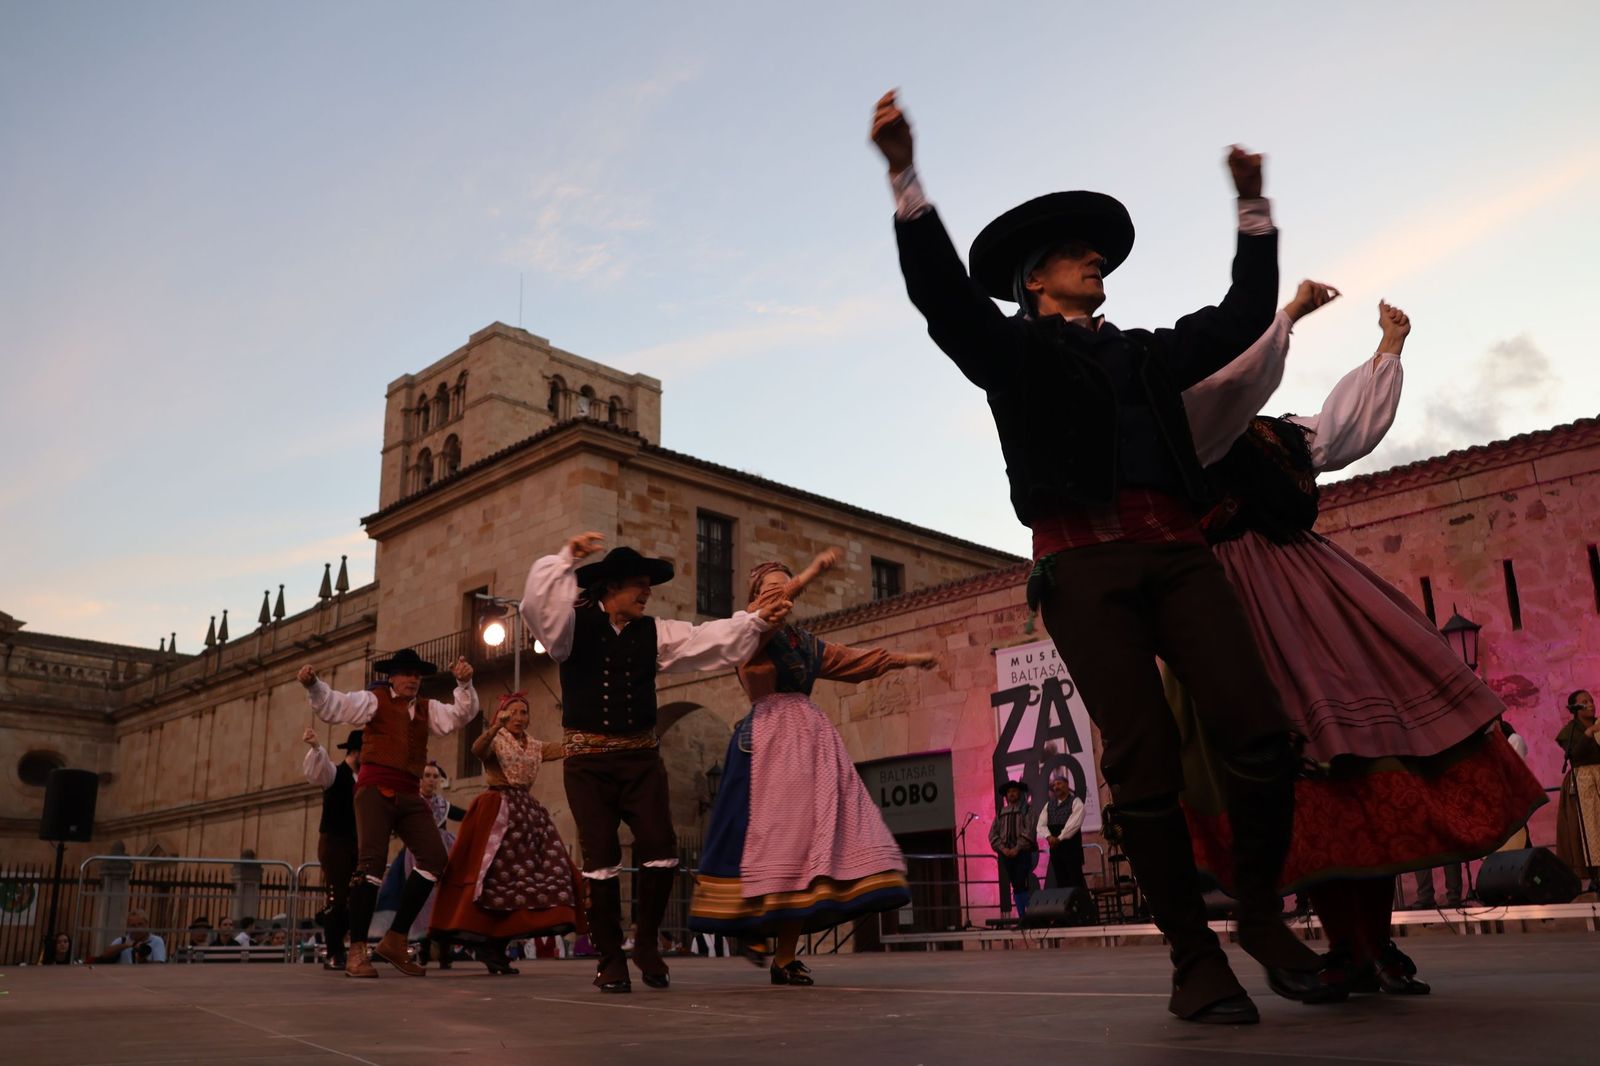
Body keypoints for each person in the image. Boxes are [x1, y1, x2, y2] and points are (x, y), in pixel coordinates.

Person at [871, 90, 1322, 1024]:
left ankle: (1264, 914)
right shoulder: (1014, 355)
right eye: (1078, 254)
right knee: (1143, 757)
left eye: (1098, 251)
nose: (1095, 259)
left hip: (1179, 553)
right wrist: (906, 177)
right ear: (1037, 280)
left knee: (1260, 732)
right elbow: (943, 299)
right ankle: (1194, 961)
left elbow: (1244, 310)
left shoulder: (1150, 356)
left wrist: (1253, 205)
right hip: (1082, 570)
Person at [1176, 293, 1546, 995]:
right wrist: (1283, 313)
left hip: (1313, 589)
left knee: (1367, 770)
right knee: (1306, 779)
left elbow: (1340, 430)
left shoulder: (1280, 434)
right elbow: (1227, 385)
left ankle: (1374, 944)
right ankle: (1346, 945)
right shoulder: (1189, 427)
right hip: (1238, 600)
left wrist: (1387, 350)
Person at [521, 532, 793, 993]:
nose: (647, 593)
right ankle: (609, 959)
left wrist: (756, 621)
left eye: (648, 586)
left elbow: (707, 639)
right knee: (601, 857)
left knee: (662, 849)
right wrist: (565, 556)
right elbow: (534, 606)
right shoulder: (570, 629)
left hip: (641, 759)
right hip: (587, 764)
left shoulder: (655, 632)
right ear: (609, 590)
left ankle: (646, 944)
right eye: (637, 586)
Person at [689, 551, 934, 986]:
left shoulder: (806, 643)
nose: (780, 596)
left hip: (809, 743)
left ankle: (784, 956)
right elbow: (767, 615)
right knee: (772, 844)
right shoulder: (747, 632)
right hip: (766, 743)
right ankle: (756, 933)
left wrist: (911, 658)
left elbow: (857, 661)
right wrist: (813, 572)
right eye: (770, 590)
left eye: (784, 590)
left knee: (805, 852)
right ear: (754, 599)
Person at [299, 649, 480, 978]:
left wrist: (464, 683)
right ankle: (357, 951)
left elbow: (460, 714)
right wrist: (314, 685)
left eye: (417, 674)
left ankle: (395, 939)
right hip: (375, 789)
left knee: (434, 859)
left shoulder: (426, 708)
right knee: (370, 865)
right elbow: (336, 706)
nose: (413, 679)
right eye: (406, 673)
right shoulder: (374, 700)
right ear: (392, 676)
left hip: (409, 793)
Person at [430, 692, 584, 976]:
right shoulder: (494, 740)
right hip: (497, 810)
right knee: (494, 878)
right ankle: (489, 943)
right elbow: (477, 749)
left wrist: (588, 738)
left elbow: (564, 749)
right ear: (501, 715)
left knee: (526, 879)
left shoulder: (535, 746)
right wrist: (495, 727)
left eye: (523, 712)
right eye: (512, 712)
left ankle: (499, 945)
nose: (518, 718)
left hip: (527, 816)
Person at [374, 760, 465, 966]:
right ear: (420, 779)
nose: (432, 780)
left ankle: (443, 948)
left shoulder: (443, 805)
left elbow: (464, 816)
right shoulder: (412, 801)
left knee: (443, 900)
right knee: (420, 900)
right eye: (428, 776)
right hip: (416, 855)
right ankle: (423, 946)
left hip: (442, 853)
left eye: (435, 776)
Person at [302, 725, 361, 970]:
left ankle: (348, 949)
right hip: (335, 842)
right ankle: (334, 953)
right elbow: (321, 768)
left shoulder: (364, 779)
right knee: (337, 897)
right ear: (357, 752)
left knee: (354, 898)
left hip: (356, 844)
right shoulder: (336, 774)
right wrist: (316, 746)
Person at [1555, 689, 1600, 891]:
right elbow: (1576, 755)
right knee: (1590, 829)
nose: (1590, 704)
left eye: (1591, 700)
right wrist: (1589, 733)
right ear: (1575, 708)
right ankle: (1596, 876)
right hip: (1584, 782)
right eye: (1584, 702)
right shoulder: (1570, 731)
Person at [990, 780, 1037, 919]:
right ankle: (1023, 915)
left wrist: (1017, 848)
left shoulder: (1027, 810)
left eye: (1014, 791)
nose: (1011, 794)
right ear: (1006, 796)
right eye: (1009, 792)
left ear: (1020, 793)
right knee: (1015, 884)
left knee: (1022, 881)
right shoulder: (1000, 813)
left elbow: (1029, 830)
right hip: (1006, 853)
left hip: (1022, 852)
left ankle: (1029, 915)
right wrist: (1003, 849)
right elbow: (992, 834)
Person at [1037, 776, 1087, 892]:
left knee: (1075, 881)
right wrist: (1049, 837)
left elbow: (1073, 824)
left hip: (1071, 848)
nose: (1056, 787)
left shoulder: (1075, 802)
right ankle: (1066, 909)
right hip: (1056, 849)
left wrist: (1059, 838)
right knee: (1061, 881)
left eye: (1059, 783)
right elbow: (1041, 825)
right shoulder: (1049, 805)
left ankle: (1079, 909)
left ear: (1066, 784)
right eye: (1054, 785)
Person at [89, 909, 167, 964]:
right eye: (133, 925)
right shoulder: (123, 940)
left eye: (140, 924)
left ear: (147, 924)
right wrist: (128, 945)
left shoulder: (156, 941)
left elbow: (159, 966)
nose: (137, 928)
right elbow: (105, 955)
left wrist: (143, 961)